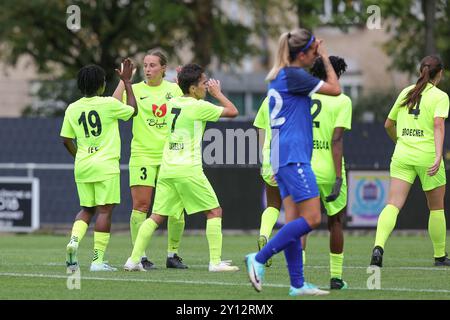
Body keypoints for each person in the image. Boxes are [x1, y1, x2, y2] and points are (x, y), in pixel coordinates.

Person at [245, 28, 341, 296]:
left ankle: (297, 284)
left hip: (282, 155)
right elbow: (335, 89)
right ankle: (259, 258)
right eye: (312, 51)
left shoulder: (280, 76)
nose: (315, 56)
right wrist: (325, 56)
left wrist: (275, 163)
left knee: (294, 222)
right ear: (302, 54)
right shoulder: (295, 75)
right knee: (312, 219)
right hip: (294, 156)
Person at [123, 63, 240, 272]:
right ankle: (215, 262)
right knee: (214, 211)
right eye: (204, 83)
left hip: (168, 169)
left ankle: (133, 260)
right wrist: (218, 93)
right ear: (193, 88)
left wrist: (183, 81)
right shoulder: (198, 107)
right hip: (188, 168)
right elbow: (233, 111)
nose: (206, 86)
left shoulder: (173, 103)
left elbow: (181, 91)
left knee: (156, 216)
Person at [370, 55, 450, 267]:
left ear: (420, 72)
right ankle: (440, 257)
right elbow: (438, 126)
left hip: (402, 155)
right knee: (436, 208)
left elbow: (388, 124)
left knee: (393, 204)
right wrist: (437, 154)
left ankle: (378, 247)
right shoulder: (440, 96)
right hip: (427, 156)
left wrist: (400, 142)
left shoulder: (406, 92)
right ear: (439, 74)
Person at [112, 50, 187, 270]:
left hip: (170, 156)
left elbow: (194, 105)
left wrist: (185, 84)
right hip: (142, 154)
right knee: (141, 206)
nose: (147, 69)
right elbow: (114, 104)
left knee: (175, 208)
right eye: (145, 65)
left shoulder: (174, 89)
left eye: (153, 65)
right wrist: (124, 81)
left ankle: (173, 254)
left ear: (164, 68)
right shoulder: (134, 89)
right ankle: (140, 256)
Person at [62, 59, 137, 272]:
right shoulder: (109, 104)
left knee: (86, 209)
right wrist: (127, 82)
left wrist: (79, 156)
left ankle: (74, 243)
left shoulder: (72, 108)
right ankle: (97, 260)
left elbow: (66, 140)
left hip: (83, 165)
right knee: (104, 212)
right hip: (105, 166)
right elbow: (133, 110)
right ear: (102, 85)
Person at [305, 55, 351, 289]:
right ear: (337, 74)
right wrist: (339, 177)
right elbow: (337, 139)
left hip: (304, 166)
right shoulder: (342, 100)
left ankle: (299, 278)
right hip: (329, 170)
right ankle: (335, 278)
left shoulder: (304, 96)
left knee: (303, 222)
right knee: (335, 222)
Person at [253, 96, 282, 269]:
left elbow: (260, 129)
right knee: (300, 210)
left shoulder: (268, 99)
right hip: (289, 157)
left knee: (273, 204)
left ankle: (264, 234)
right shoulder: (296, 98)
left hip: (269, 157)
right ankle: (300, 258)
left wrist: (264, 158)